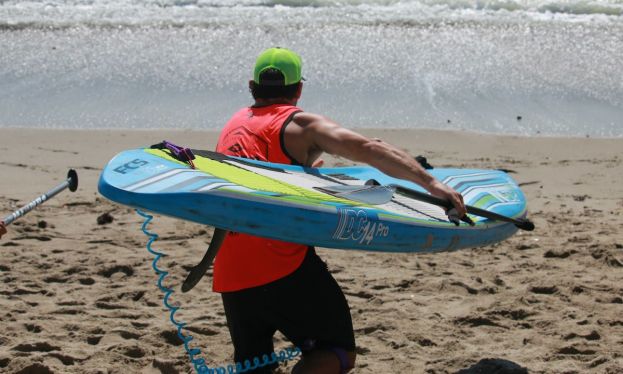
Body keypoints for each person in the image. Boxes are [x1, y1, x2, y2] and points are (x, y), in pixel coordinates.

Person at [213, 47, 466, 374]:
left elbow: (256, 174)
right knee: (337, 352)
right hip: (280, 264)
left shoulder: (233, 124)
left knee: (255, 368)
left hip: (231, 272)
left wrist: (302, 175)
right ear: (299, 89)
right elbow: (368, 148)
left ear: (252, 86)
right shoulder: (299, 124)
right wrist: (432, 184)